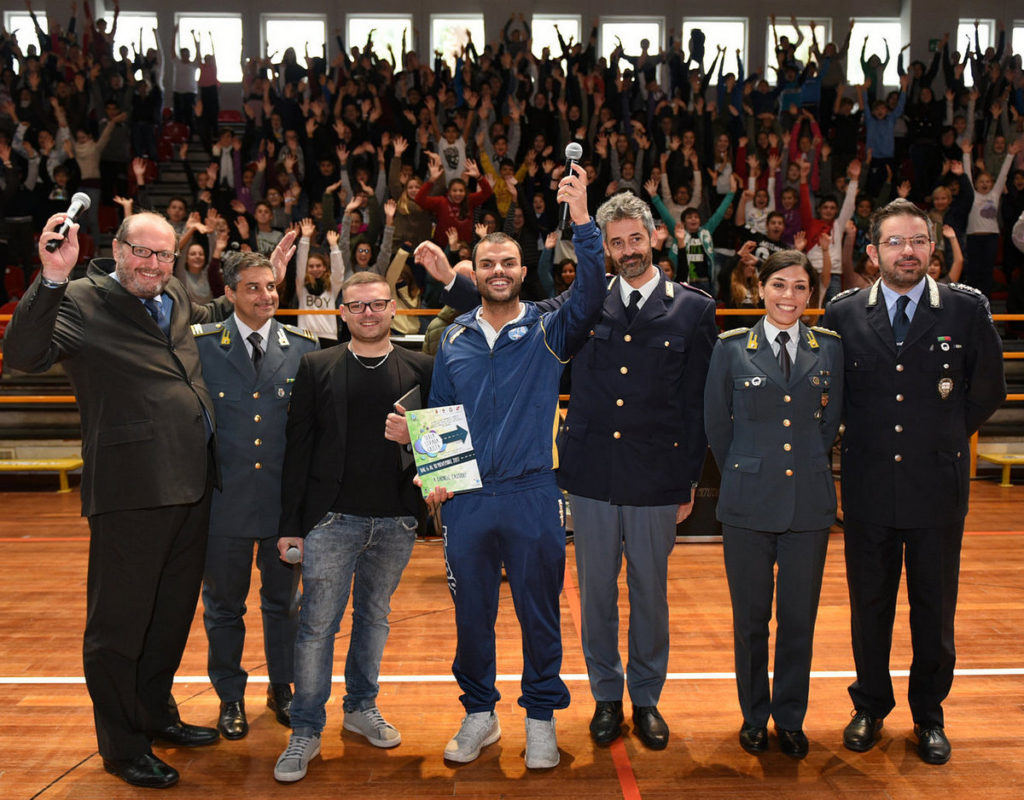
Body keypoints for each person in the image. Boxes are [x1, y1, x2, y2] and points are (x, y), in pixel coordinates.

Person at [3, 211, 295, 788]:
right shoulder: (80, 299)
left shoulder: (176, 297)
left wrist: (260, 283)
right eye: (142, 251)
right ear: (117, 249)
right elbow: (24, 354)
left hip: (192, 485)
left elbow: (215, 313)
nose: (153, 264)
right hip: (130, 490)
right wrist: (52, 276)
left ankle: (156, 714)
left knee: (168, 617)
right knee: (119, 625)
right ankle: (122, 745)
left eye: (164, 255)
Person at [414, 164, 604, 769]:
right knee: (472, 617)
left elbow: (592, 293)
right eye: (487, 264)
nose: (498, 271)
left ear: (524, 271)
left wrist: (582, 221)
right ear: (475, 273)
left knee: (538, 614)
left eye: (509, 263)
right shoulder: (453, 338)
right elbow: (439, 412)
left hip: (532, 494)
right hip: (468, 499)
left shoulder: (550, 328)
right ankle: (480, 714)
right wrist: (435, 478)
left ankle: (541, 716)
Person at [821, 199, 1006, 765]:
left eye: (919, 241)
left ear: (933, 247)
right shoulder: (843, 314)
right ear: (872, 253)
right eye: (896, 242)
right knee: (869, 607)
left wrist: (942, 436)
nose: (909, 251)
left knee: (934, 610)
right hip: (869, 487)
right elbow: (830, 395)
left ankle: (929, 715)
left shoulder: (965, 309)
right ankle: (870, 706)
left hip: (937, 489)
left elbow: (989, 389)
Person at [557, 191, 717, 750]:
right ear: (604, 247)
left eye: (636, 239)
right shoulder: (584, 302)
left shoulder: (693, 308)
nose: (628, 250)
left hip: (655, 477)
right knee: (596, 594)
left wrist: (689, 480)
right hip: (592, 475)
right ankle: (606, 696)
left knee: (650, 594)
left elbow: (697, 405)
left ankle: (646, 698)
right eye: (616, 242)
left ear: (655, 237)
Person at [273, 271, 434, 783]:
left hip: (396, 521)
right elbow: (297, 450)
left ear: (393, 309)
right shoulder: (317, 366)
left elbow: (441, 444)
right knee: (317, 627)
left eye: (377, 304)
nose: (368, 313)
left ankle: (361, 706)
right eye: (357, 306)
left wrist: (413, 437)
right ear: (342, 313)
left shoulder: (423, 368)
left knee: (375, 620)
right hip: (330, 521)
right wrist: (291, 524)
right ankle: (305, 728)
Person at [704, 250, 844, 759]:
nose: (789, 296)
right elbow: (717, 426)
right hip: (748, 503)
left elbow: (830, 425)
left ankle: (789, 718)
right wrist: (748, 470)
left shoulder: (829, 348)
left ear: (811, 294)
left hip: (808, 502)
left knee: (798, 620)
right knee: (750, 620)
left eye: (800, 287)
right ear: (760, 289)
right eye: (779, 285)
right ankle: (753, 716)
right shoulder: (731, 348)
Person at [192, 252, 319, 742]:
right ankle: (230, 696)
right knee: (224, 606)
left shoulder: (303, 347)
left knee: (283, 604)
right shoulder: (203, 346)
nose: (266, 296)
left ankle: (281, 689)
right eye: (252, 287)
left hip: (281, 506)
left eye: (270, 286)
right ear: (229, 293)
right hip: (223, 503)